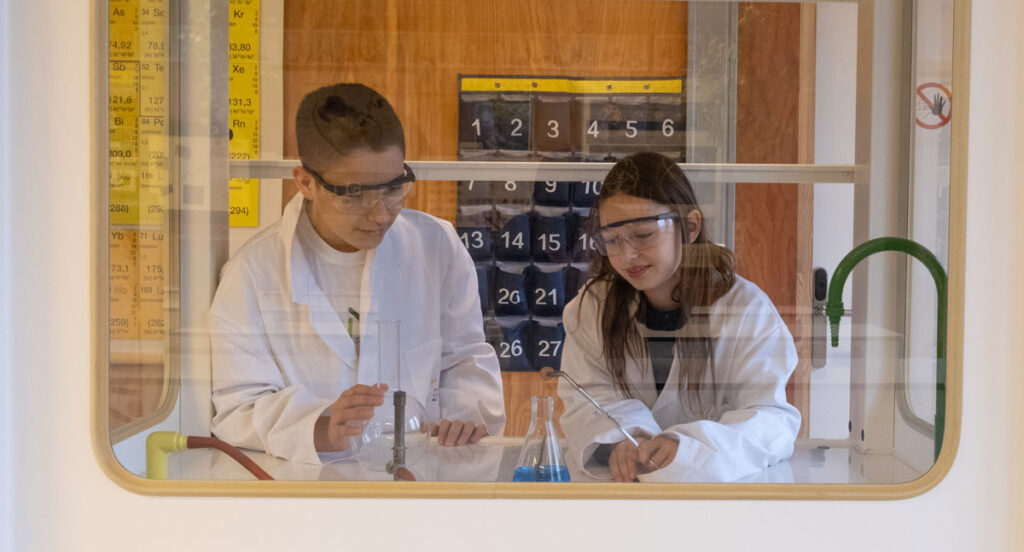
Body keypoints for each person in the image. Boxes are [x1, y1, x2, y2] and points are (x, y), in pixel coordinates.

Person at [209, 83, 505, 465]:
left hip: (421, 482)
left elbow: (465, 357)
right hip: (311, 492)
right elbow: (239, 406)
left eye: (394, 188)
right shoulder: (252, 273)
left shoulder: (435, 246)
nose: (380, 213)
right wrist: (320, 426)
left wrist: (466, 414)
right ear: (306, 182)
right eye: (354, 194)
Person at [558, 151, 800, 483]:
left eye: (643, 235)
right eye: (612, 241)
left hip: (717, 503)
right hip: (622, 499)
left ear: (690, 226)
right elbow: (587, 397)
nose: (627, 255)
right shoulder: (592, 307)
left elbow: (770, 421)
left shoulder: (745, 309)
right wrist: (626, 440)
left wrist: (690, 447)